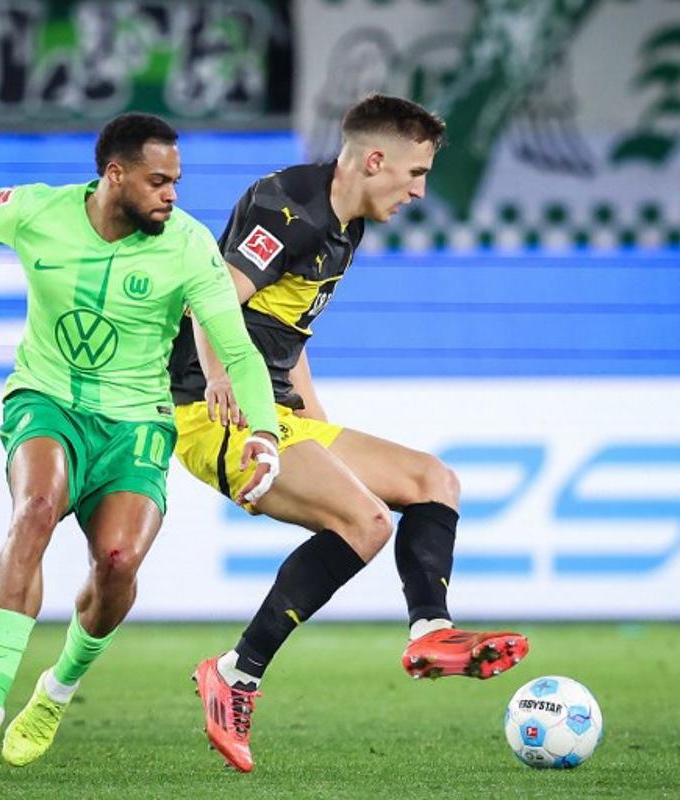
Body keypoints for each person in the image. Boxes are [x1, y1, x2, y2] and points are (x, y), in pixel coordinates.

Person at [0, 113, 282, 772]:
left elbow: (237, 347)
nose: (172, 195)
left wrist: (265, 434)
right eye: (159, 181)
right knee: (36, 508)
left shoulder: (187, 246)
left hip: (136, 422)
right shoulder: (35, 211)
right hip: (45, 399)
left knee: (119, 561)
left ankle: (55, 691)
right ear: (115, 174)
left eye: (177, 182)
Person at [167, 94, 529, 773]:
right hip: (214, 414)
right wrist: (217, 378)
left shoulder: (344, 225)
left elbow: (285, 331)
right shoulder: (288, 209)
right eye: (415, 173)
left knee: (433, 481)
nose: (419, 191)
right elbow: (211, 299)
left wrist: (318, 430)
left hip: (279, 412)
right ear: (373, 160)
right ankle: (235, 676)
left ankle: (431, 632)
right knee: (366, 524)